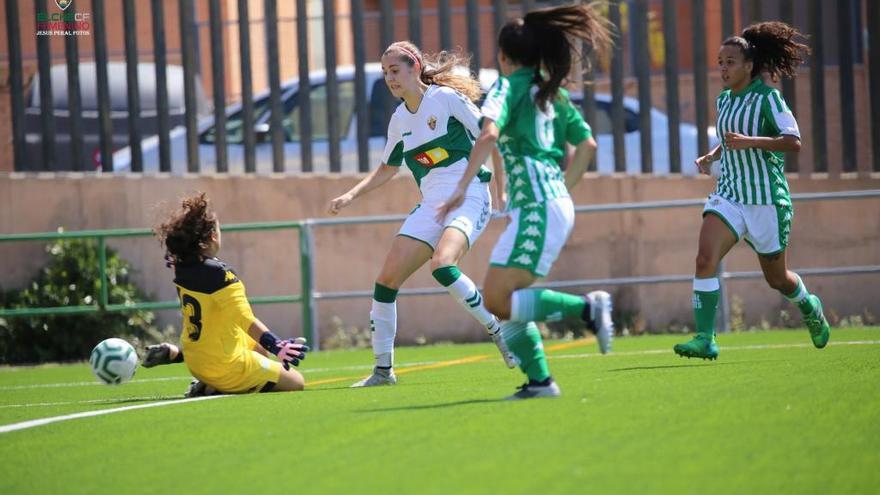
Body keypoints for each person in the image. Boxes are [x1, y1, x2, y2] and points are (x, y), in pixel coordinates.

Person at [437, 4, 615, 400]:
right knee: (503, 301)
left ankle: (588, 309)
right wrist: (563, 191)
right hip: (545, 203)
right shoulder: (553, 93)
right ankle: (540, 382)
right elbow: (586, 145)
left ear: (503, 55)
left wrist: (461, 187)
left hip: (536, 205)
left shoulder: (508, 86)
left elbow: (488, 136)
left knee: (500, 299)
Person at [328, 41, 517, 387]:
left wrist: (501, 189)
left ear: (415, 68)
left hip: (470, 194)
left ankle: (498, 329)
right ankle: (383, 371)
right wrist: (351, 194)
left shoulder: (444, 100)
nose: (389, 78)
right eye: (385, 72)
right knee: (385, 282)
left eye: (395, 70)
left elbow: (491, 138)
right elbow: (388, 167)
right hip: (432, 205)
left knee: (443, 265)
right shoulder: (399, 119)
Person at [674, 22, 830, 360]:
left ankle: (808, 304)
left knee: (778, 280)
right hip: (729, 195)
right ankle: (705, 338)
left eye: (730, 61)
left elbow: (794, 141)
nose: (723, 68)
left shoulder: (768, 99)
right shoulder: (724, 101)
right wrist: (713, 155)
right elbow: (730, 139)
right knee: (704, 259)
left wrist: (752, 142)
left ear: (749, 65)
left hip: (766, 201)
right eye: (720, 62)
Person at [144, 192, 309, 396]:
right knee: (297, 382)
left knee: (257, 349)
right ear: (213, 236)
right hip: (221, 367)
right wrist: (277, 345)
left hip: (195, 358)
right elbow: (245, 319)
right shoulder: (220, 273)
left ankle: (180, 357)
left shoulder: (181, 265)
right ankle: (213, 386)